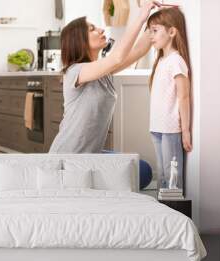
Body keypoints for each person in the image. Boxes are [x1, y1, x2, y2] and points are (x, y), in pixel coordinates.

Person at [49, 1, 160, 153]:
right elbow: (117, 58)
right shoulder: (76, 71)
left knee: (142, 169)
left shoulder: (102, 72)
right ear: (79, 40)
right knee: (140, 170)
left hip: (90, 154)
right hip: (69, 156)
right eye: (92, 29)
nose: (101, 30)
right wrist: (141, 17)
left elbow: (139, 50)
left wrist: (155, 19)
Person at [147, 7, 192, 189]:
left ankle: (174, 213)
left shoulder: (176, 61)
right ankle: (162, 212)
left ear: (172, 32)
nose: (151, 36)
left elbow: (184, 97)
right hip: (157, 126)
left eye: (155, 31)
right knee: (163, 174)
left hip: (170, 128)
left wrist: (186, 131)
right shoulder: (161, 61)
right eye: (150, 31)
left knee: (171, 175)